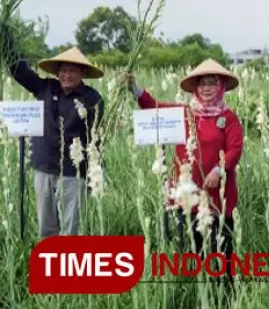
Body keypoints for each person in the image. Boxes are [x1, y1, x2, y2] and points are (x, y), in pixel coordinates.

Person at [124, 59, 244, 269]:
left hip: (218, 193)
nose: (206, 88)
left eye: (212, 83)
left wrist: (219, 170)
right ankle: (200, 293)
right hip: (188, 192)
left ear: (221, 87)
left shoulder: (228, 117)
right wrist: (134, 87)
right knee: (194, 248)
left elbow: (235, 149)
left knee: (223, 246)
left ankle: (226, 293)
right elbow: (153, 107)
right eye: (202, 84)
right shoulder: (183, 113)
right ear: (195, 88)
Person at [0, 24, 103, 238]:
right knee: (46, 229)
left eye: (72, 70)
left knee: (70, 230)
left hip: (73, 173)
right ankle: (49, 267)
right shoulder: (45, 88)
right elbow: (18, 70)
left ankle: (68, 269)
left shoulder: (92, 99)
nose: (67, 75)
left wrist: (94, 173)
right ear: (57, 72)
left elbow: (97, 139)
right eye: (63, 70)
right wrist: (4, 34)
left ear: (82, 72)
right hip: (44, 167)